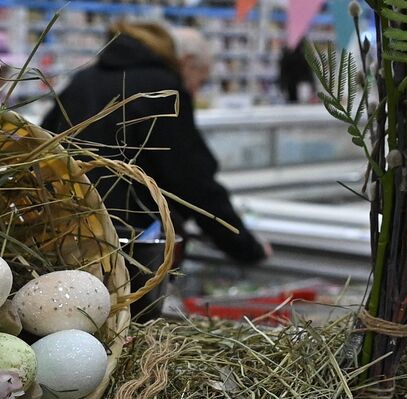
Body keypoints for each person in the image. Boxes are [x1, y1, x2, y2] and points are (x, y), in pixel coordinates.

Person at [42, 22, 268, 264]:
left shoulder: (83, 80)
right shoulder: (164, 91)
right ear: (187, 61)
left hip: (66, 234)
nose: (194, 91)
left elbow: (42, 143)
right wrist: (247, 248)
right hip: (132, 248)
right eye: (200, 81)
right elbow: (193, 183)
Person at [277, 39, 316, 103]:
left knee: (296, 103)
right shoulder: (303, 54)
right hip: (298, 83)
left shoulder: (287, 54)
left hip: (296, 83)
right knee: (301, 103)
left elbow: (283, 72)